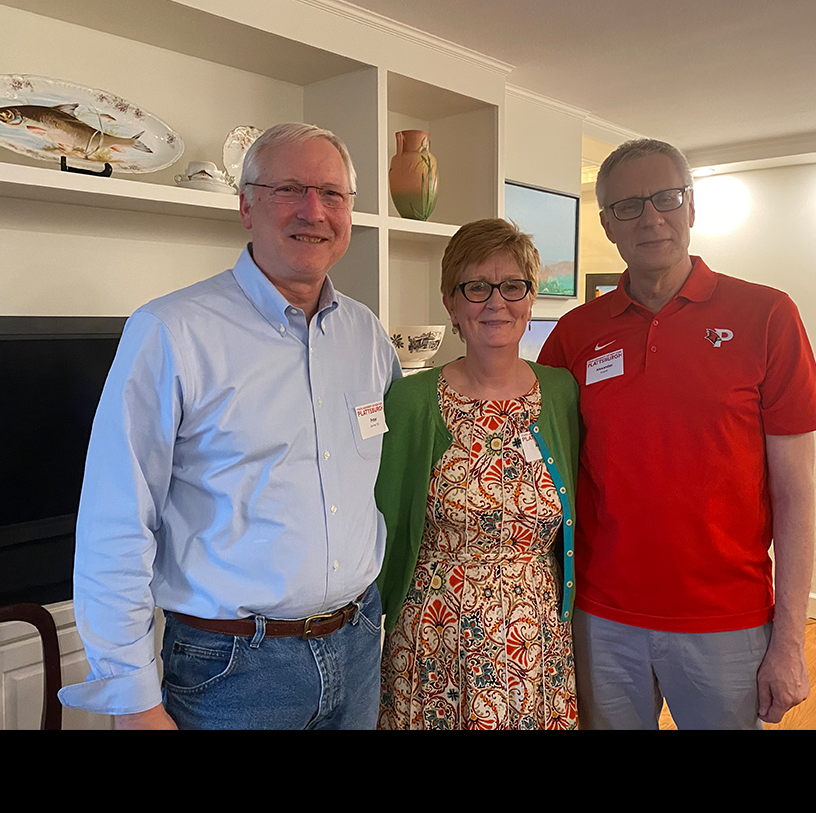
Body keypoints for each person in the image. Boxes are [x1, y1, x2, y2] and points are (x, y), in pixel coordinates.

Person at [58, 123, 402, 730]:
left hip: (357, 645)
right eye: (289, 189)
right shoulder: (171, 332)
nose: (313, 211)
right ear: (245, 205)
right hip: (233, 669)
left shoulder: (367, 335)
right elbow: (116, 520)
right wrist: (134, 700)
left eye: (332, 194)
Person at [539, 138, 816, 730]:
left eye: (666, 198)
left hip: (728, 621)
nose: (651, 217)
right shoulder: (574, 335)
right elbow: (550, 475)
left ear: (691, 207)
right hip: (602, 618)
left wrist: (790, 640)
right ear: (607, 224)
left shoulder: (767, 316)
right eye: (628, 206)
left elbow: (796, 494)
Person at [376, 219, 580, 730]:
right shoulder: (411, 401)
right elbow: (383, 515)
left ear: (530, 300)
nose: (497, 302)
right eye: (476, 287)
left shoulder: (562, 393)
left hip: (535, 636)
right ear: (451, 303)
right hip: (434, 635)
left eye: (513, 286)